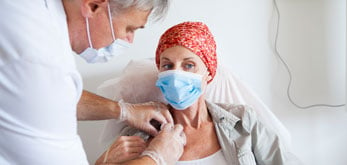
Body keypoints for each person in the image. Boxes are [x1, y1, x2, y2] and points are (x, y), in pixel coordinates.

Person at [0, 0, 186, 164]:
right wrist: (155, 158)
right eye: (129, 28)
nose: (129, 40)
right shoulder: (40, 62)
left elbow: (55, 98)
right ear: (93, 6)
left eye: (189, 66)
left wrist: (123, 110)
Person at [96, 21, 300, 164]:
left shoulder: (244, 122)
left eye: (189, 65)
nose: (176, 74)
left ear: (209, 74)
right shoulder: (139, 133)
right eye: (167, 66)